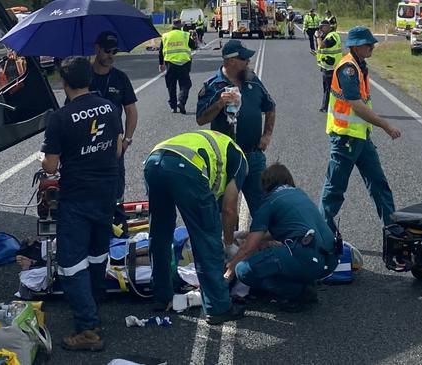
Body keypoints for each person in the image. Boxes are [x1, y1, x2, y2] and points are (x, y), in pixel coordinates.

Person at [41, 56, 123, 351]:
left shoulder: (60, 118)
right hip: (106, 191)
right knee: (98, 253)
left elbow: (50, 167)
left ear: (64, 84)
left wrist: (43, 155)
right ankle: (94, 307)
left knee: (71, 262)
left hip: (77, 195)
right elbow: (116, 149)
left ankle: (88, 329)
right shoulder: (111, 108)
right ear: (89, 79)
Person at [144, 130, 248, 325]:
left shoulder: (213, 142)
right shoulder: (241, 159)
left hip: (154, 161)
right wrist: (227, 242)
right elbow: (228, 208)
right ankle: (218, 307)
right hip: (186, 168)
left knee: (160, 232)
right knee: (206, 239)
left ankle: (162, 296)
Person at [320, 26, 401, 235]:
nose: (372, 46)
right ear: (356, 46)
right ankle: (322, 233)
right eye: (368, 44)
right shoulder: (348, 68)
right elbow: (355, 104)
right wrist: (385, 125)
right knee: (335, 190)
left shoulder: (360, 65)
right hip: (345, 138)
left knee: (379, 184)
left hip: (360, 137)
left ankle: (393, 229)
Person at [225, 163, 338, 312]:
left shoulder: (269, 203)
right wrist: (249, 236)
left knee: (243, 270)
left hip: (306, 258)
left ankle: (297, 291)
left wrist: (230, 269)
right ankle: (305, 281)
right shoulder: (299, 194)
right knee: (282, 257)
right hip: (330, 259)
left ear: (265, 185)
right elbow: (288, 228)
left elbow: (248, 248)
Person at [197, 40, 275, 216]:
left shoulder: (253, 80)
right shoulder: (212, 85)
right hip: (225, 159)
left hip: (253, 155)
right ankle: (227, 242)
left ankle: (260, 242)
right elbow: (201, 119)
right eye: (244, 59)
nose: (248, 62)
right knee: (225, 208)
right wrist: (219, 103)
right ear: (231, 61)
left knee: (262, 206)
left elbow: (270, 107)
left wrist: (267, 135)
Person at [90, 31, 138, 236]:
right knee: (90, 191)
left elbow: (131, 110)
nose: (111, 55)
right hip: (88, 146)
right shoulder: (83, 76)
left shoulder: (120, 78)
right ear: (97, 49)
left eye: (114, 51)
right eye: (107, 50)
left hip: (114, 146)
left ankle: (118, 235)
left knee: (116, 192)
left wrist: (127, 139)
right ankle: (92, 230)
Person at [159, 18, 196, 114]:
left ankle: (173, 106)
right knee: (185, 84)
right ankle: (181, 102)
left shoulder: (165, 36)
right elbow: (194, 46)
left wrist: (161, 63)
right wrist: (194, 39)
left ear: (172, 25)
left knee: (171, 86)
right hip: (184, 64)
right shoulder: (185, 35)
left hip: (170, 64)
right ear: (181, 26)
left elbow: (160, 51)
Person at [315, 19, 342, 112]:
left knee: (329, 88)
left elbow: (322, 45)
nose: (321, 30)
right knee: (328, 87)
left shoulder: (332, 36)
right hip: (327, 65)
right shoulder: (328, 35)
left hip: (331, 67)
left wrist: (318, 37)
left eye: (322, 27)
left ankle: (326, 107)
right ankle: (328, 106)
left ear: (327, 27)